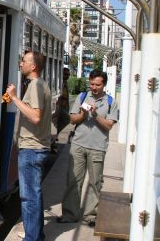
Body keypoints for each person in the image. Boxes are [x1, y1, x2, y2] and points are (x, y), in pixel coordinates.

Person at [57, 69, 118, 226]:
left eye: (97, 84)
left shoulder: (111, 101)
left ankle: (90, 215)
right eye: (91, 84)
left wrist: (96, 114)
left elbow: (109, 126)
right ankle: (70, 214)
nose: (94, 87)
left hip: (98, 148)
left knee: (95, 182)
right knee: (73, 180)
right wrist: (83, 115)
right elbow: (72, 119)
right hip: (78, 145)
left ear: (104, 84)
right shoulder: (82, 96)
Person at [6, 50, 51, 241]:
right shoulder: (38, 85)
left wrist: (15, 98)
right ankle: (37, 235)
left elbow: (35, 116)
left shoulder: (36, 85)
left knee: (29, 198)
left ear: (33, 66)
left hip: (32, 149)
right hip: (34, 147)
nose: (20, 64)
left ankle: (31, 238)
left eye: (23, 61)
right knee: (34, 196)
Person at [51, 67, 71, 152]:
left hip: (64, 106)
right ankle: (52, 142)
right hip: (58, 106)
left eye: (68, 74)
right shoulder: (59, 82)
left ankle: (54, 138)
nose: (67, 76)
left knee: (64, 121)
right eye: (65, 74)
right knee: (56, 123)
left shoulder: (65, 83)